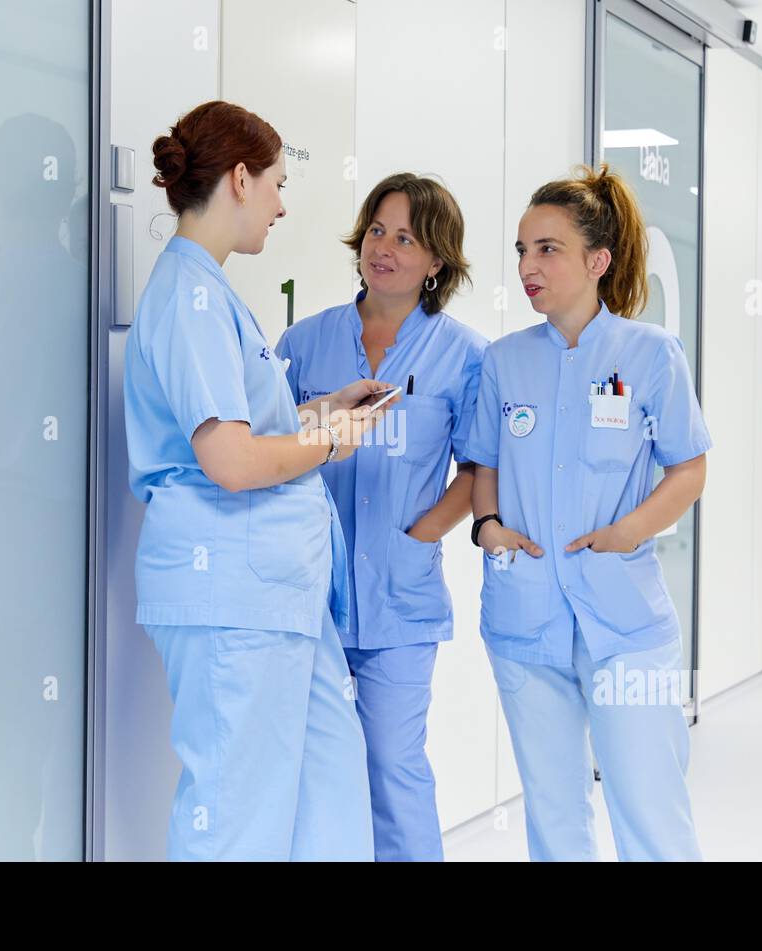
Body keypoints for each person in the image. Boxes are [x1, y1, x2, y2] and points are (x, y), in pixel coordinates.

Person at [123, 100, 396, 861]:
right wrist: (328, 442)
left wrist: (318, 411)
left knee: (328, 790)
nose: (281, 204)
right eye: (275, 183)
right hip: (234, 590)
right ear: (239, 179)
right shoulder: (190, 297)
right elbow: (231, 460)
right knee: (236, 815)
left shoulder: (211, 293)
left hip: (277, 592)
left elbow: (239, 425)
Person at [464, 164, 710, 861]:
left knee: (649, 807)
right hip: (525, 616)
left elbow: (689, 466)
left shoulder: (651, 354)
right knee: (553, 810)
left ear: (597, 261)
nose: (527, 266)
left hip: (622, 618)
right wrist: (487, 528)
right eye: (520, 250)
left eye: (547, 249)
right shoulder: (505, 361)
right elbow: (484, 463)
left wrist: (633, 529)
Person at [277, 173, 486, 861]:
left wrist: (422, 532)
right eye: (376, 230)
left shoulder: (463, 356)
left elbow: (483, 467)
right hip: (311, 590)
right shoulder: (304, 342)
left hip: (400, 599)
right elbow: (265, 445)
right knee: (315, 771)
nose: (384, 248)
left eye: (406, 237)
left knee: (393, 766)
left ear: (436, 261)